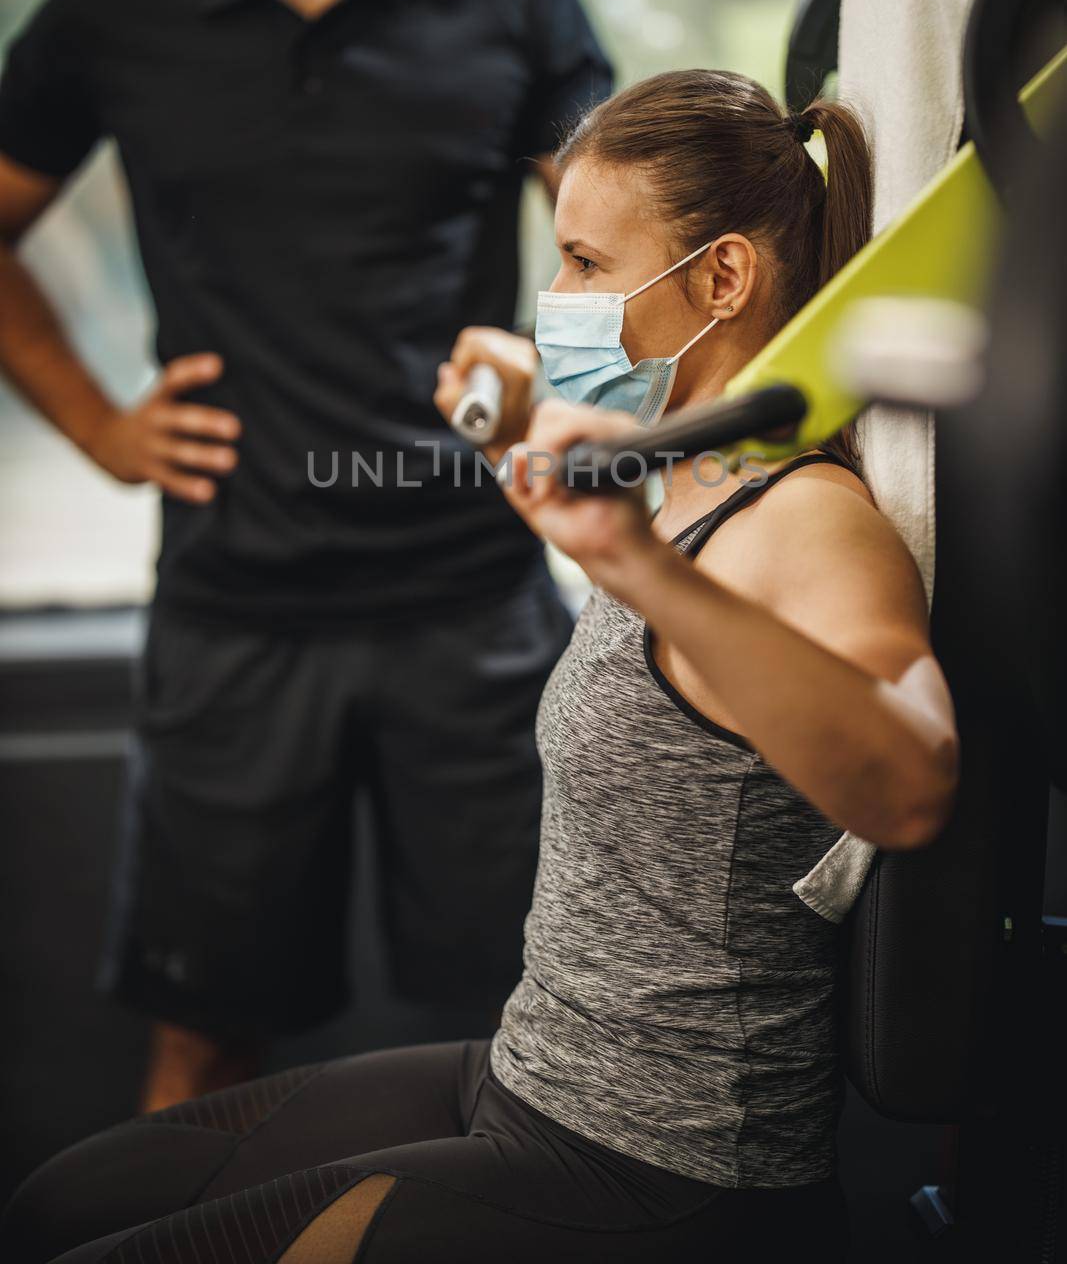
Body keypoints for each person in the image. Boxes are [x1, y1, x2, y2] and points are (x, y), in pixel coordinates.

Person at [1, 70, 959, 1263]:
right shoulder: (685, 482)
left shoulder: (807, 516)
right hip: (528, 1072)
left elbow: (909, 783)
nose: (552, 299)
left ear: (721, 278)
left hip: (660, 1166)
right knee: (56, 1206)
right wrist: (522, 445)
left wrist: (637, 566)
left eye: (585, 263)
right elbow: (646, 606)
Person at [0, 0, 611, 1109]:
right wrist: (95, 423)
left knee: (547, 1031)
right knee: (205, 1041)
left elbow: (632, 258)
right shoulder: (111, 15)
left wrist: (557, 356)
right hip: (236, 621)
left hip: (479, 611)